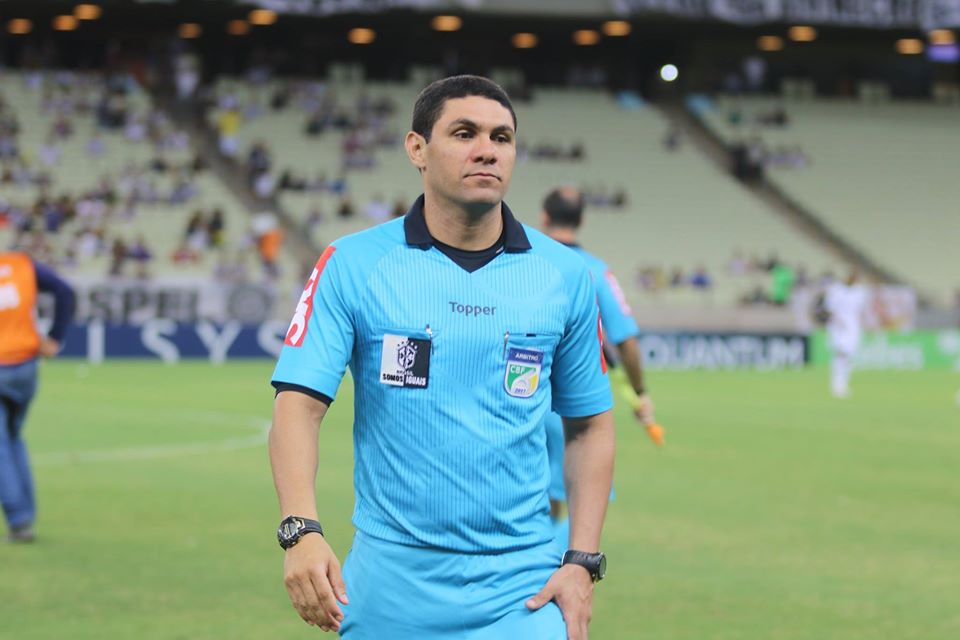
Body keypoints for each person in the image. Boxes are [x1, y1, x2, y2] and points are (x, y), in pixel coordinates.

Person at [269, 75, 615, 640]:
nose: (487, 150)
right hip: (387, 587)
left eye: (501, 137)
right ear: (417, 149)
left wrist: (582, 561)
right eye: (464, 133)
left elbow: (591, 425)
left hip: (522, 591)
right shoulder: (353, 263)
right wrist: (300, 530)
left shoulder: (565, 275)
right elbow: (298, 406)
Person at [538, 187, 659, 552]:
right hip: (571, 400)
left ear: (544, 217)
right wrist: (640, 392)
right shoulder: (595, 271)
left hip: (521, 391)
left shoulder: (526, 261)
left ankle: (532, 566)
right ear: (583, 220)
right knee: (588, 496)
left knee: (540, 497)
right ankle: (550, 566)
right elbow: (627, 341)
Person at [0, 251, 75, 542]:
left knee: (2, 445)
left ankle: (19, 521)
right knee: (13, 437)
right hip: (25, 367)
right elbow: (65, 291)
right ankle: (26, 515)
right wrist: (55, 337)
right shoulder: (21, 264)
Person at [823, 272, 868, 398]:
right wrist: (836, 319)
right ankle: (837, 384)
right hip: (838, 326)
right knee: (840, 354)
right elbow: (829, 308)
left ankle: (843, 384)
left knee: (848, 356)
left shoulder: (860, 291)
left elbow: (861, 310)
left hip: (852, 327)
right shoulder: (836, 290)